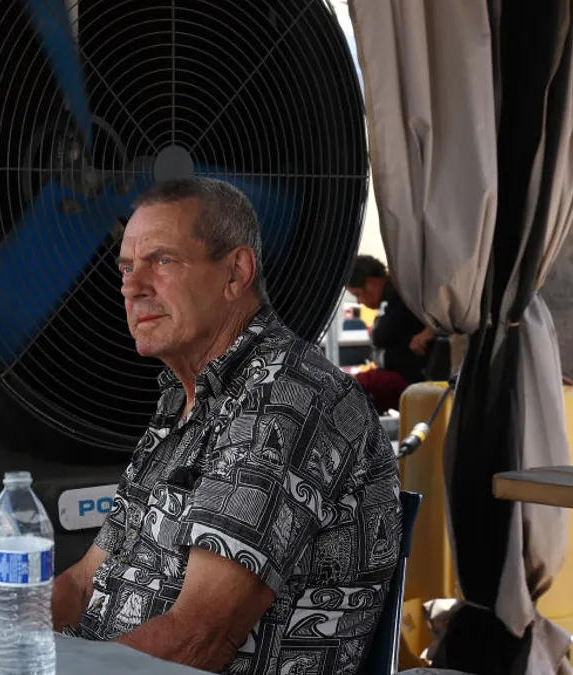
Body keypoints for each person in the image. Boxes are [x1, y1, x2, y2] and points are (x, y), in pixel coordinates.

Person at [51, 178, 402, 673]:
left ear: (236, 272)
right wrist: (2, 635)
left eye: (163, 260)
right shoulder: (184, 401)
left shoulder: (288, 398)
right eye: (127, 267)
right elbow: (85, 582)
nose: (130, 286)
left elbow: (199, 641)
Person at [346, 255, 435, 413]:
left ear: (372, 283)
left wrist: (429, 332)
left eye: (358, 294)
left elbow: (382, 336)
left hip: (411, 380)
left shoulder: (402, 297)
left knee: (352, 389)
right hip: (400, 376)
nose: (359, 302)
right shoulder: (391, 300)